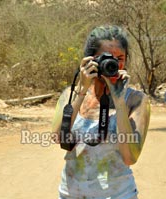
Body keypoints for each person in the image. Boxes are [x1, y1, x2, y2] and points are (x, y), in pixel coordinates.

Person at [51, 25, 150, 199]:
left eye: (119, 58)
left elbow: (130, 158)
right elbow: (59, 138)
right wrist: (81, 91)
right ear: (89, 60)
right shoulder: (70, 94)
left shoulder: (136, 100)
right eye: (106, 58)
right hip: (71, 194)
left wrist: (119, 102)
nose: (112, 64)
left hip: (118, 195)